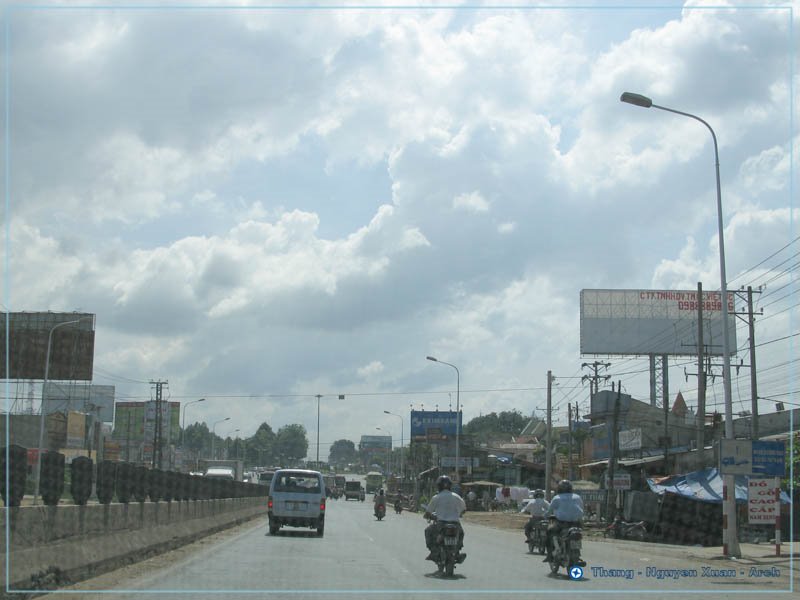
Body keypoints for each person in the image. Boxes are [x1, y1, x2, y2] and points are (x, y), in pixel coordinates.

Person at [424, 475, 467, 562]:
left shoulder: (436, 497)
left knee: (428, 531)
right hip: (455, 523)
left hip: (441, 524)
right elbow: (464, 509)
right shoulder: (456, 496)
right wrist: (459, 514)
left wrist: (427, 515)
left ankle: (433, 551)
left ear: (438, 486)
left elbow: (428, 512)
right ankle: (457, 552)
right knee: (461, 533)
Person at [544, 480, 584, 563]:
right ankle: (576, 553)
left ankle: (549, 555)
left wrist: (545, 516)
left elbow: (549, 511)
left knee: (549, 532)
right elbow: (581, 509)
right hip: (577, 524)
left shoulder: (557, 498)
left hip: (562, 523)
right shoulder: (577, 497)